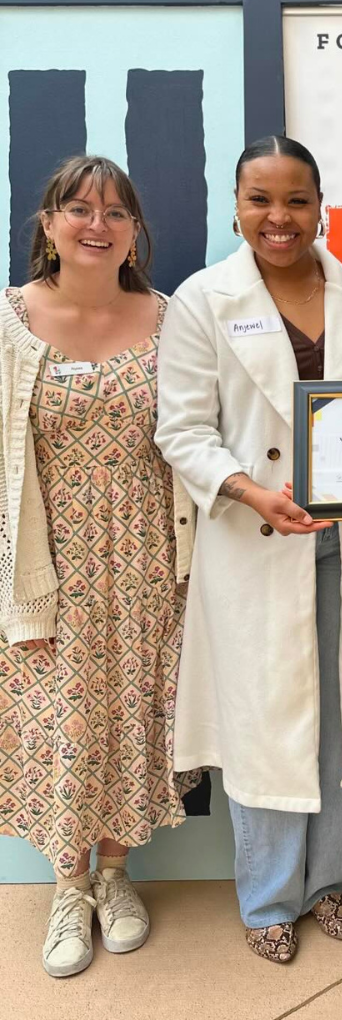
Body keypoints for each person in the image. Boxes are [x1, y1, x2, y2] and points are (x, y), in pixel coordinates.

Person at [155, 136, 342, 963]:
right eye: (260, 200)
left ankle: (329, 885)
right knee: (266, 721)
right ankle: (269, 898)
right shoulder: (202, 300)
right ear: (236, 207)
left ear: (321, 206)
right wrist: (249, 490)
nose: (279, 218)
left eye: (296, 200)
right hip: (254, 540)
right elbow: (183, 429)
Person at [0, 155, 200, 977]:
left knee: (136, 714)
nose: (97, 224)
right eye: (79, 209)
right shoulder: (9, 319)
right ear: (47, 224)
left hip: (150, 554)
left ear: (134, 233)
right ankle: (66, 886)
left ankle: (117, 876)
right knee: (63, 726)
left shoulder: (169, 317)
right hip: (48, 564)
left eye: (116, 212)